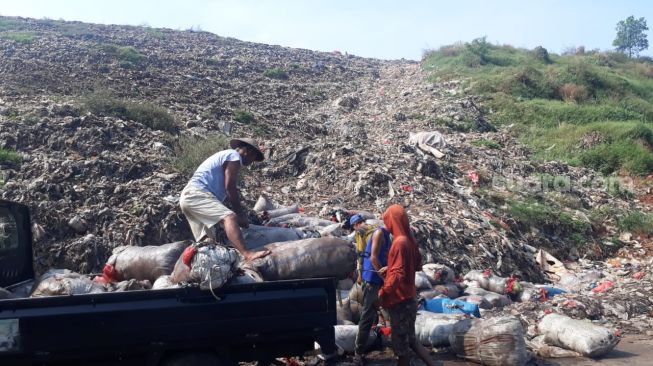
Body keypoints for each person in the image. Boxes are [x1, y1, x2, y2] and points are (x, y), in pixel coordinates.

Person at [179, 137, 270, 261]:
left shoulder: (225, 155)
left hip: (187, 198)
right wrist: (240, 214)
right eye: (254, 157)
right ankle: (247, 254)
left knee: (208, 243)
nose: (252, 161)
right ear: (248, 151)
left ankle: (205, 270)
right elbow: (230, 187)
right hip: (197, 194)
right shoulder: (234, 157)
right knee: (230, 217)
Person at [378, 205, 435, 366]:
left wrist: (384, 292)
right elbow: (414, 265)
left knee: (401, 345)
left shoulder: (399, 243)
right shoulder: (409, 241)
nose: (386, 224)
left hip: (400, 299)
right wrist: (390, 268)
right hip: (409, 296)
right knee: (410, 339)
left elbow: (397, 275)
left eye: (387, 220)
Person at [353, 217, 391, 364]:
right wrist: (385, 279)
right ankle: (358, 353)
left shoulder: (388, 236)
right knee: (367, 316)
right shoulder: (380, 233)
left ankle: (388, 340)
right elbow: (374, 258)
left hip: (378, 279)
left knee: (387, 311)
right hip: (372, 281)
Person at [351, 214, 377, 284]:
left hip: (372, 264)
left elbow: (362, 255)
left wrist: (360, 276)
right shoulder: (360, 233)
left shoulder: (365, 233)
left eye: (354, 227)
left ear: (356, 225)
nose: (354, 229)